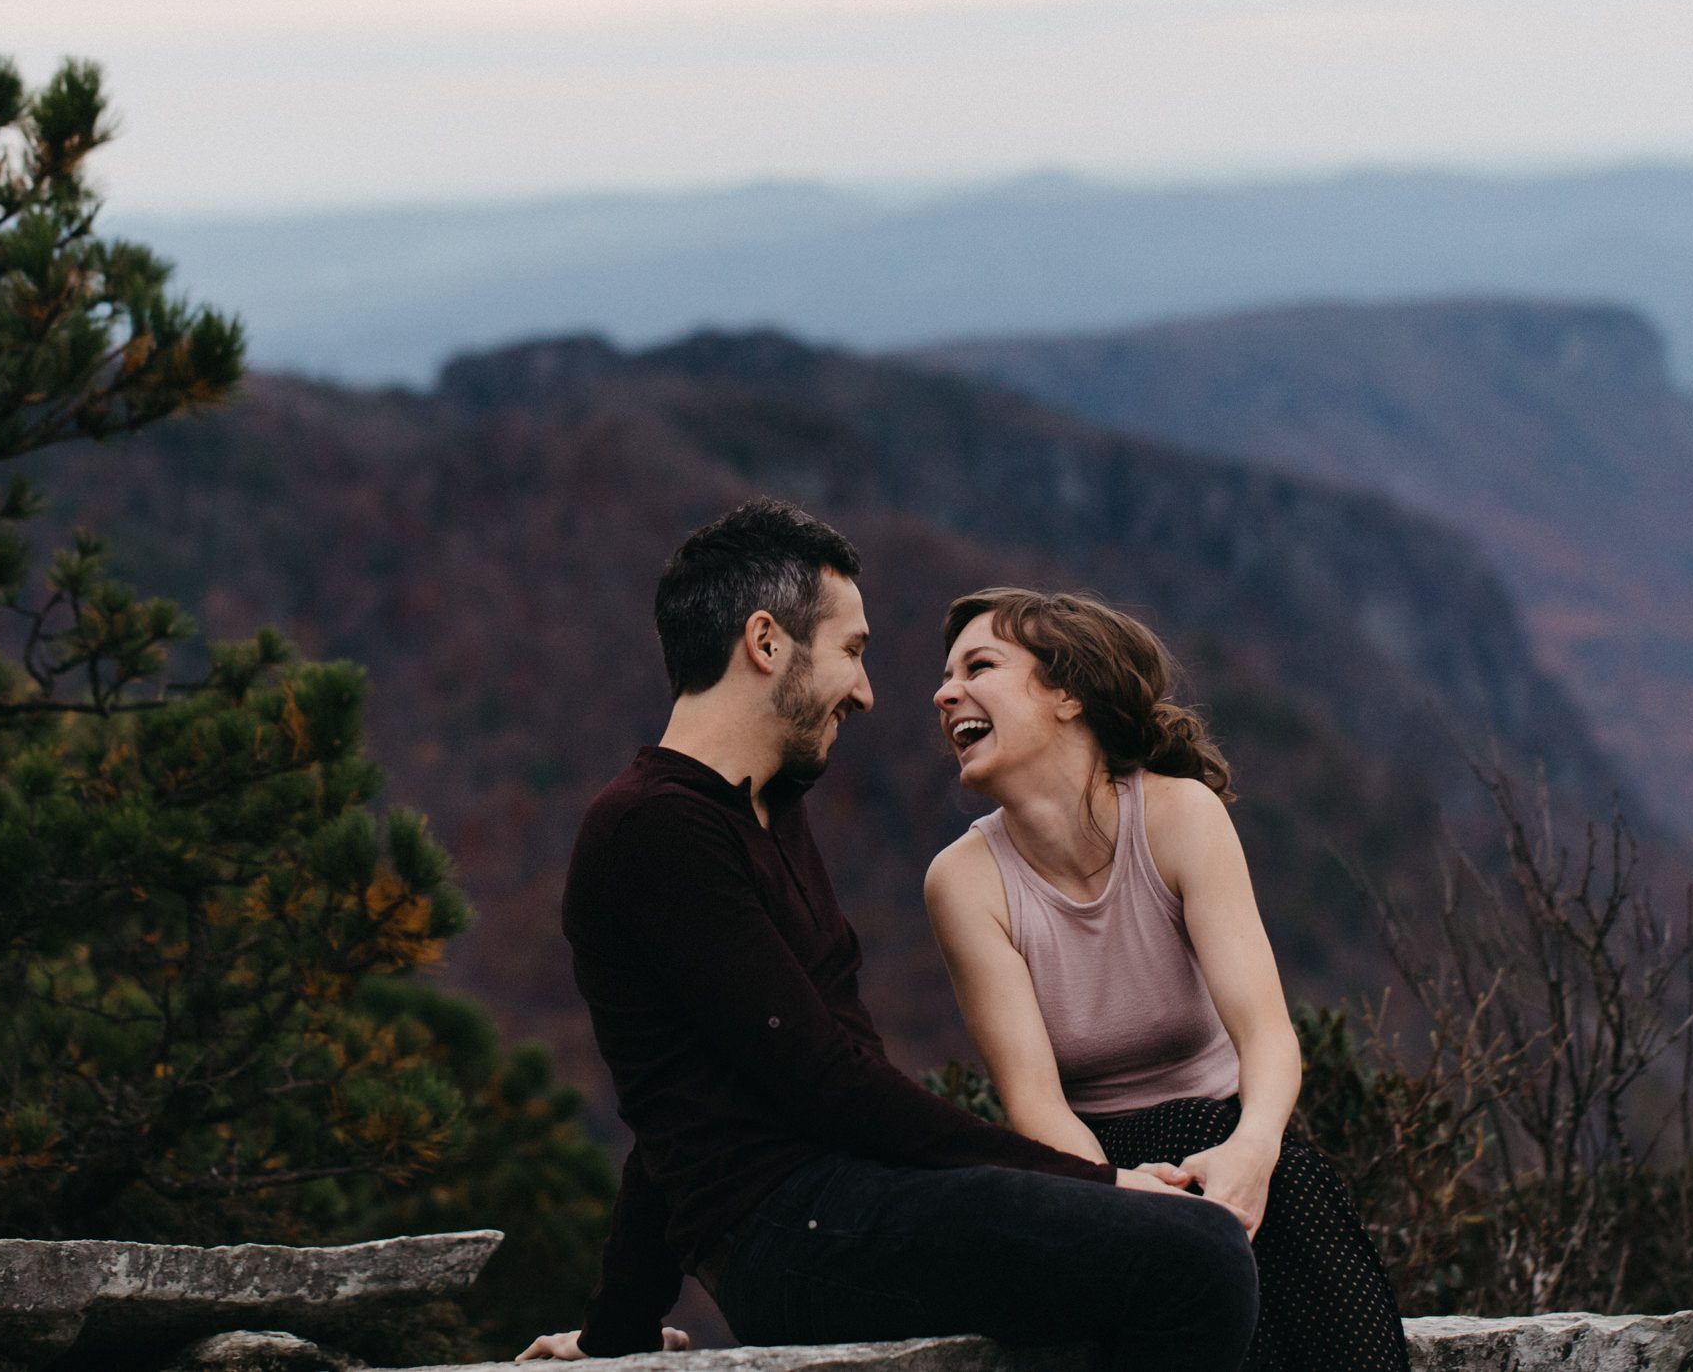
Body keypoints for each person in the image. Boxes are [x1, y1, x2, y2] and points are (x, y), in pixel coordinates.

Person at [518, 502, 1257, 1371]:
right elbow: (830, 1085)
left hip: (850, 1200)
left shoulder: (766, 811)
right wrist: (1098, 1184)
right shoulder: (652, 829)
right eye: (851, 649)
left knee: (1130, 1273)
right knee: (1195, 1256)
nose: (866, 691)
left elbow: (669, 1105)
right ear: (766, 642)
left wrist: (620, 1334)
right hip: (795, 1229)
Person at [924, 587, 1409, 1372]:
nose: (946, 693)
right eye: (944, 677)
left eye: (979, 665)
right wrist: (1118, 1190)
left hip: (1231, 1144)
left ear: (1067, 694)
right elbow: (1035, 1106)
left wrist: (1253, 1151)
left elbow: (1266, 1035)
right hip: (1089, 1170)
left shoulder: (1180, 816)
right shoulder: (963, 881)